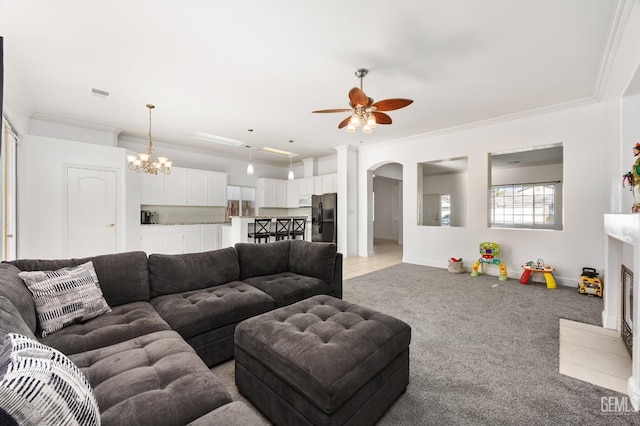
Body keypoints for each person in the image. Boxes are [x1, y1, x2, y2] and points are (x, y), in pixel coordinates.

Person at [632, 143, 640, 212]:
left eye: (635, 150)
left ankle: (638, 204)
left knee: (637, 191)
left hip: (638, 180)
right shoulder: (638, 160)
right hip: (636, 180)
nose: (634, 151)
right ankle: (637, 204)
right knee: (635, 191)